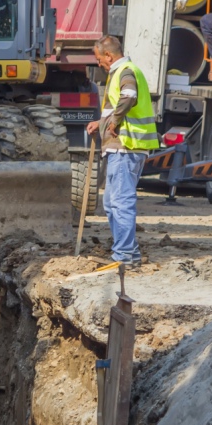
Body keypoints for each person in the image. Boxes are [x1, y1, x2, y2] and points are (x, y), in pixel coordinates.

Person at [86, 35, 160, 268]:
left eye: (99, 59)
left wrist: (114, 122)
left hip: (126, 147)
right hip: (124, 148)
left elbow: (129, 97)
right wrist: (102, 122)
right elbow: (121, 103)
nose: (99, 63)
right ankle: (129, 252)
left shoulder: (125, 71)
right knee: (110, 202)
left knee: (120, 201)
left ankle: (124, 255)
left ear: (108, 55)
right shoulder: (122, 72)